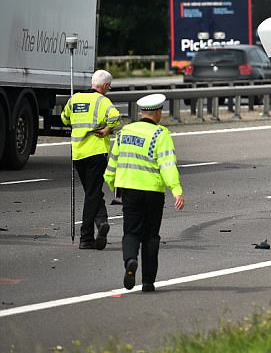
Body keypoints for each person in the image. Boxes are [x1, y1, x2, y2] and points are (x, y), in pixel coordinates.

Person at [104, 94, 185, 292]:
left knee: (131, 232)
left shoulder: (124, 132)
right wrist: (176, 191)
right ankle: (148, 282)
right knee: (151, 236)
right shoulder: (161, 134)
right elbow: (167, 165)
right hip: (153, 193)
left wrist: (114, 184)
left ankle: (130, 260)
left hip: (129, 191)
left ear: (142, 112)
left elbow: (113, 162)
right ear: (157, 112)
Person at [61, 69, 122, 250]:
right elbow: (116, 117)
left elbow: (65, 119)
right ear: (104, 86)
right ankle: (86, 237)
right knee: (92, 194)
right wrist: (106, 130)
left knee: (92, 192)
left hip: (78, 153)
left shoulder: (76, 99)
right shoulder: (103, 101)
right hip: (96, 152)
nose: (108, 90)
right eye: (108, 87)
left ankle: (101, 221)